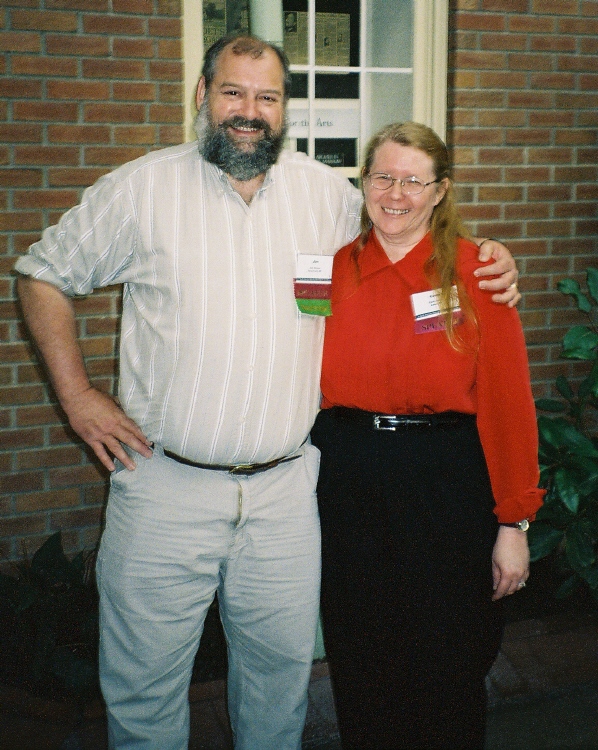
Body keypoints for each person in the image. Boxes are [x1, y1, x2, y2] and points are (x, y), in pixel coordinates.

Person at [15, 35, 519, 750]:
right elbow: (42, 275)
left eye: (268, 97)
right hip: (165, 486)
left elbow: (411, 233)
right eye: (233, 92)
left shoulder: (325, 197)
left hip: (286, 493)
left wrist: (491, 261)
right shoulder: (142, 188)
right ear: (202, 94)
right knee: (145, 688)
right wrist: (77, 395)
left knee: (279, 685)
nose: (249, 112)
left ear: (286, 109)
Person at [310, 121, 545, 750]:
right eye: (382, 177)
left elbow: (508, 404)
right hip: (349, 477)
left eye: (413, 181)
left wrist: (514, 523)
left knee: (447, 662)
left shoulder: (477, 272)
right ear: (363, 182)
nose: (395, 193)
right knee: (360, 661)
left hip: (446, 482)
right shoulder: (326, 270)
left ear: (439, 191)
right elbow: (291, 364)